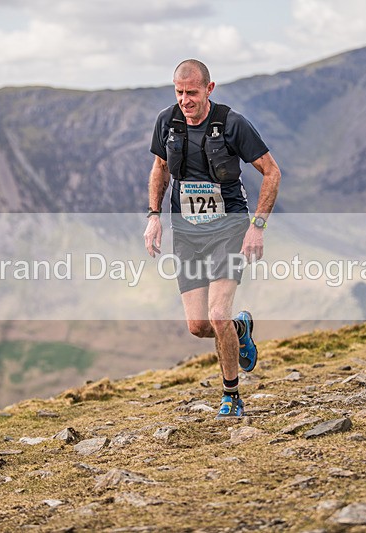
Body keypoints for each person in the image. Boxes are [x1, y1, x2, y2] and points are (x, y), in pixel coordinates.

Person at [143, 59, 282, 418]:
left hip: (229, 228)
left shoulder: (232, 124)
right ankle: (241, 328)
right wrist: (154, 216)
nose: (184, 100)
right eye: (178, 92)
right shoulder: (166, 122)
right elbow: (159, 169)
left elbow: (271, 171)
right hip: (187, 233)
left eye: (191, 92)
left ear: (209, 88)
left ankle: (231, 396)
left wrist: (258, 226)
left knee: (217, 315)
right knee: (199, 326)